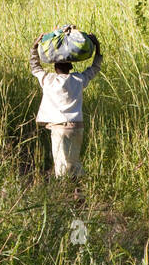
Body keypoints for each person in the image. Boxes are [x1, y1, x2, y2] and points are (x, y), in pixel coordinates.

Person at [29, 32, 102, 179]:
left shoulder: (48, 80)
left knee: (62, 166)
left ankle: (70, 193)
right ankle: (78, 191)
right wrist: (97, 48)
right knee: (73, 162)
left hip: (59, 127)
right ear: (70, 67)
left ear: (55, 67)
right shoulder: (78, 79)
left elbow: (35, 67)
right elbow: (94, 68)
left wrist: (34, 48)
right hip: (77, 127)